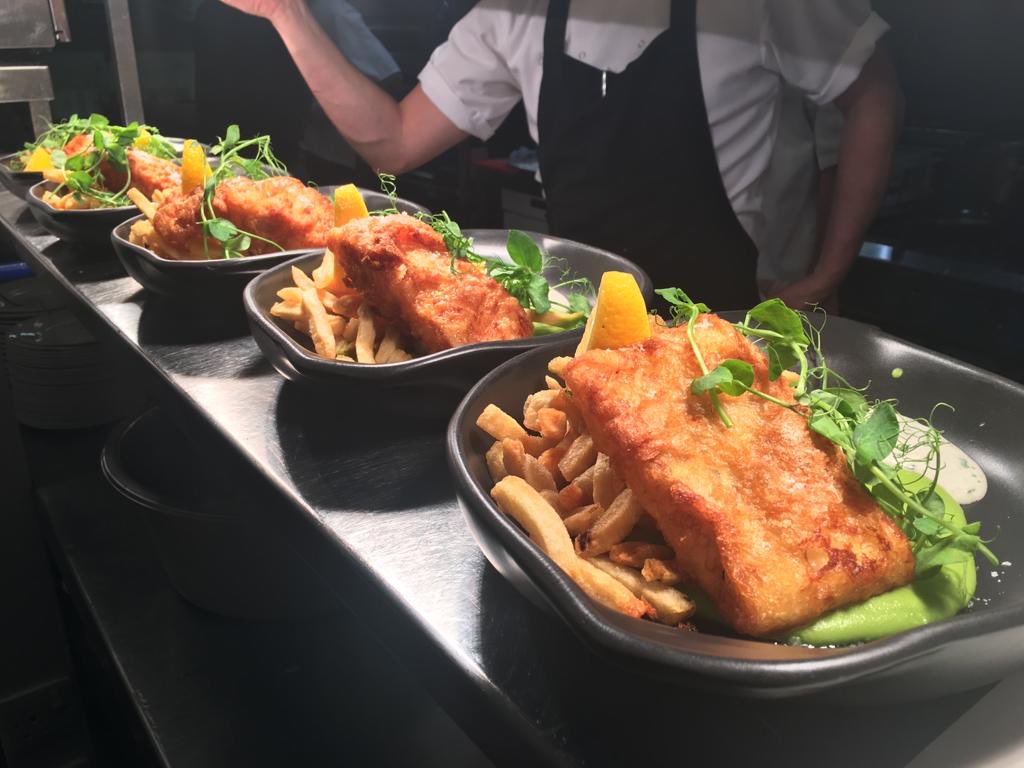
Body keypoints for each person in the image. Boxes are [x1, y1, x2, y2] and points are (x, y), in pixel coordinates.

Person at [220, 0, 903, 310]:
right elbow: (392, 141)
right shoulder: (513, 13)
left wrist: (828, 271)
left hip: (755, 312)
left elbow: (873, 94)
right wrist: (288, 14)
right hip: (589, 317)